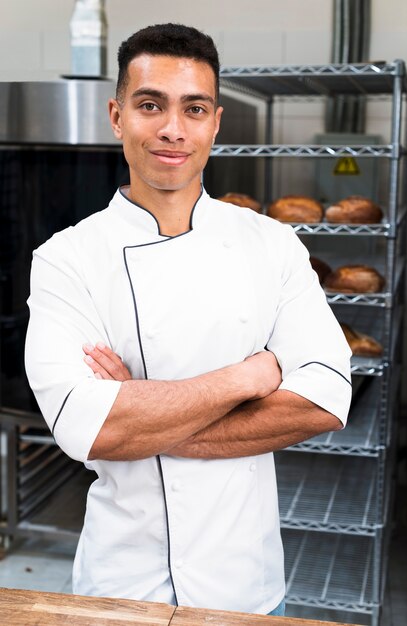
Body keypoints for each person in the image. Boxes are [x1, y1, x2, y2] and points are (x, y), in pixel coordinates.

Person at [25, 23, 352, 617]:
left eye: (193, 108)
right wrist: (248, 379)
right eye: (150, 105)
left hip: (244, 584)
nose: (173, 128)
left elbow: (325, 399)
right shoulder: (65, 259)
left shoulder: (272, 245)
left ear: (215, 123)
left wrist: (137, 415)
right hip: (122, 586)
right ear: (118, 115)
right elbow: (87, 430)